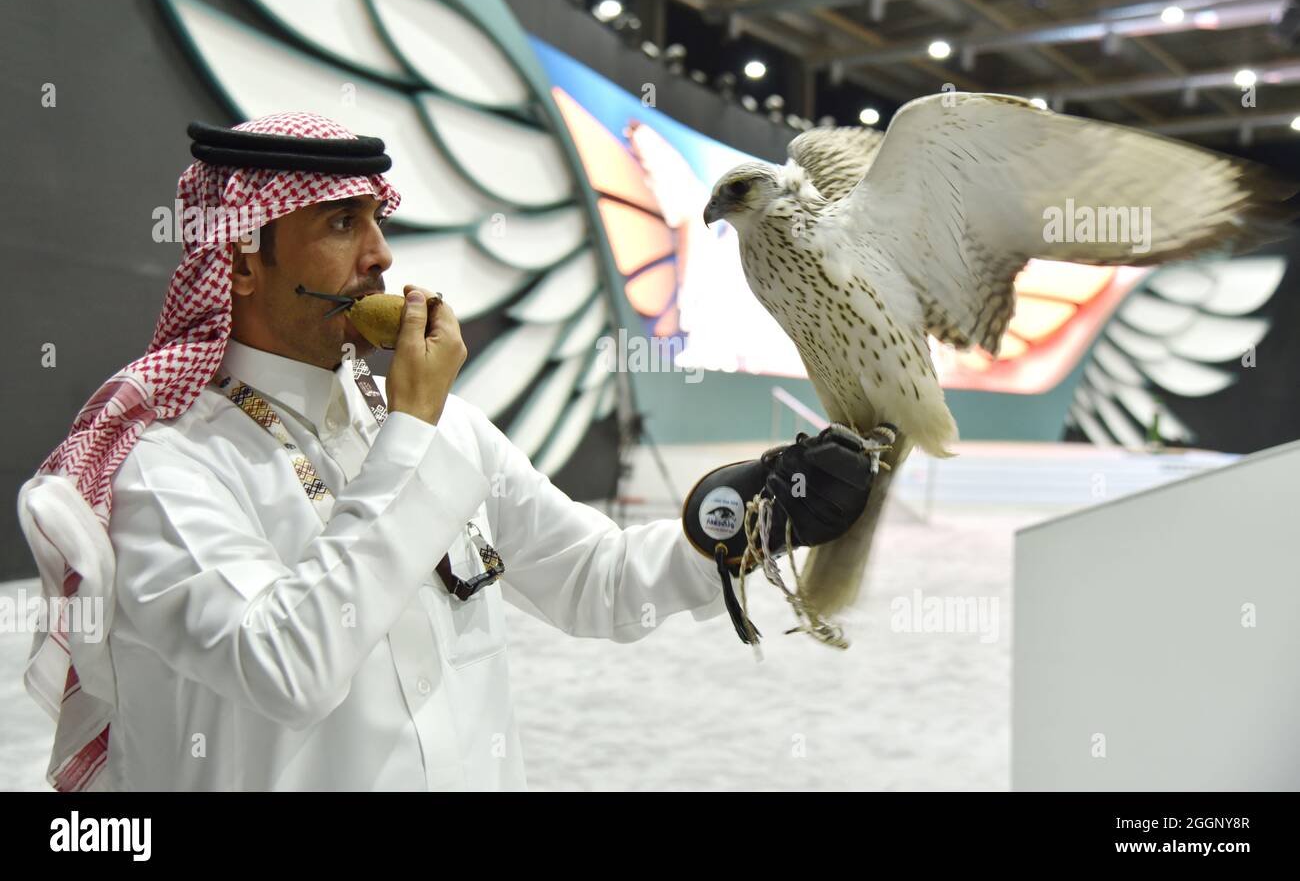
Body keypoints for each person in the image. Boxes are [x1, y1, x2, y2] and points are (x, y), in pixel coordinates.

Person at [17, 112, 876, 791]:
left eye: (377, 221)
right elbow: (286, 665)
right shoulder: (167, 471)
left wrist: (747, 517)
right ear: (240, 262)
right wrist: (410, 437)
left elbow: (597, 581)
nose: (380, 255)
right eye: (342, 223)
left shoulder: (440, 428)